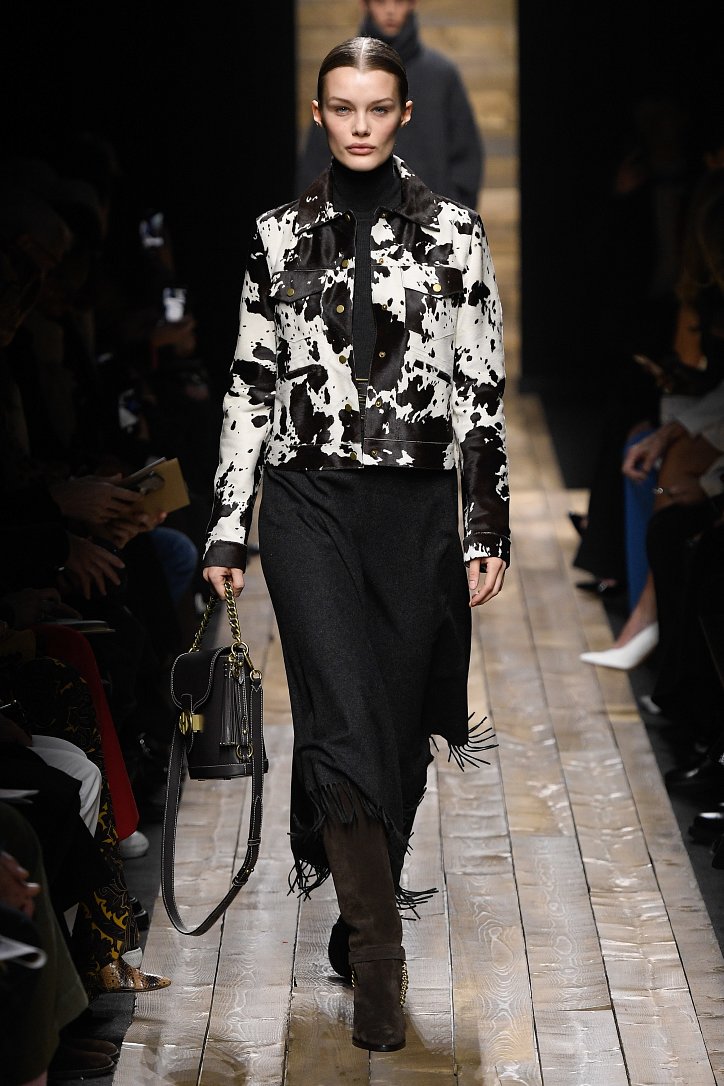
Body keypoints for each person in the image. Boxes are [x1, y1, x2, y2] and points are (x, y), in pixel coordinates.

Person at [203, 36, 508, 1053]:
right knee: (338, 716)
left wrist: (485, 522)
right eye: (344, 107)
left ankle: (359, 897)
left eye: (379, 107)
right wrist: (229, 521)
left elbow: (480, 386)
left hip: (416, 507)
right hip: (307, 502)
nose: (362, 124)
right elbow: (250, 382)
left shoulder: (456, 235)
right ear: (322, 114)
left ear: (405, 114)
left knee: (401, 725)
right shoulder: (276, 236)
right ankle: (379, 958)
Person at [296, 0, 484, 208]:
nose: (390, 10)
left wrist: (447, 216)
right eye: (380, 1)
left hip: (431, 220)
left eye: (399, 1)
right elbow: (315, 162)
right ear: (364, 4)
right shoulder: (340, 74)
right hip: (347, 219)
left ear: (412, 3)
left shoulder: (441, 75)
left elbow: (466, 158)